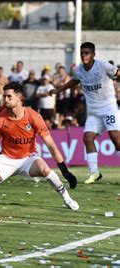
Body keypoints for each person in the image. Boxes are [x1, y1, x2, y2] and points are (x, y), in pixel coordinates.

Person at [0, 82, 79, 211]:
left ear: (19, 98)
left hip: (28, 158)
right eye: (4, 96)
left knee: (46, 170)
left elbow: (51, 145)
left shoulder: (33, 116)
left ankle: (67, 199)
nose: (5, 99)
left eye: (9, 96)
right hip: (6, 159)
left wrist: (65, 171)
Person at [50, 42, 120, 184]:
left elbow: (118, 74)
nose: (84, 55)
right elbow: (73, 82)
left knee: (116, 139)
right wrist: (57, 90)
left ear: (94, 54)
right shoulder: (79, 70)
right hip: (93, 112)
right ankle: (94, 173)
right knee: (87, 138)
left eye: (87, 53)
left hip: (108, 108)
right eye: (82, 53)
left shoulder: (104, 66)